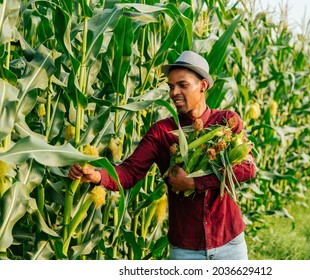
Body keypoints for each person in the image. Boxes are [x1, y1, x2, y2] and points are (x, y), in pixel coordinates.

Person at [68, 51, 256, 260]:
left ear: (203, 86)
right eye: (171, 86)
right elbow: (129, 172)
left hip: (229, 242)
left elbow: (247, 168)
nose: (174, 92)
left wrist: (194, 183)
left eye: (182, 85)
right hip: (186, 249)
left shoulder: (226, 122)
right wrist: (98, 175)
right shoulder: (161, 132)